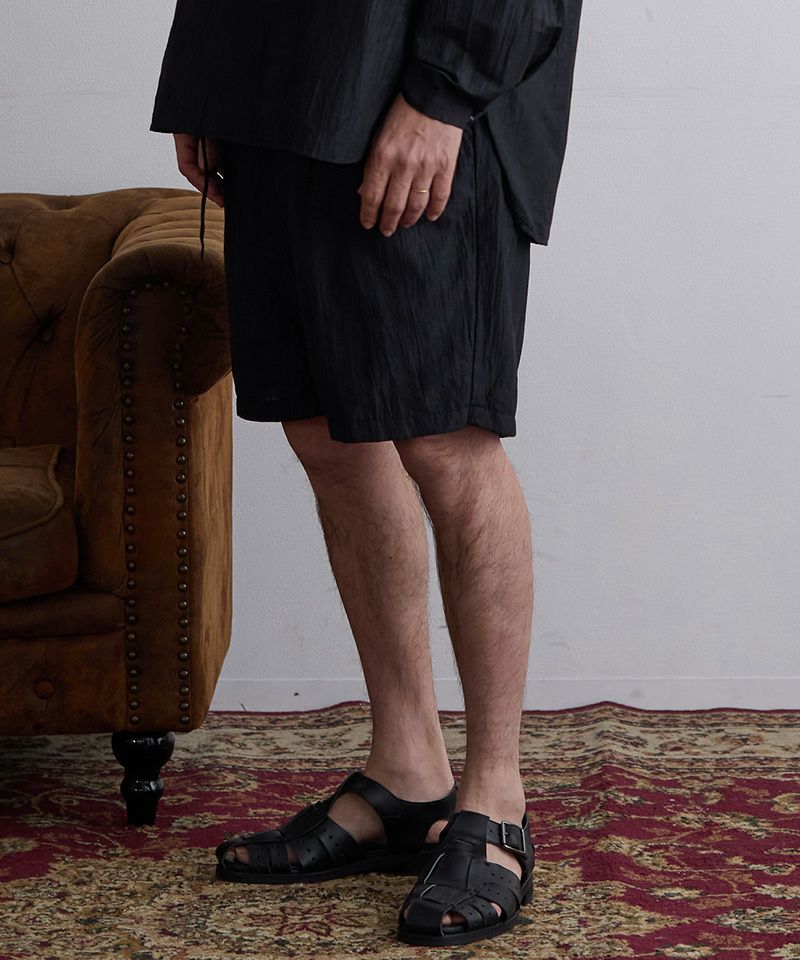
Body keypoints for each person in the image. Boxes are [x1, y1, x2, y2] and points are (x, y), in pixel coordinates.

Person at [150, 0, 583, 946]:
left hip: (415, 96)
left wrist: (444, 96)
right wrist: (204, 83)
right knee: (325, 434)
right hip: (272, 93)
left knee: (447, 438)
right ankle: (407, 773)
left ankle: (496, 800)